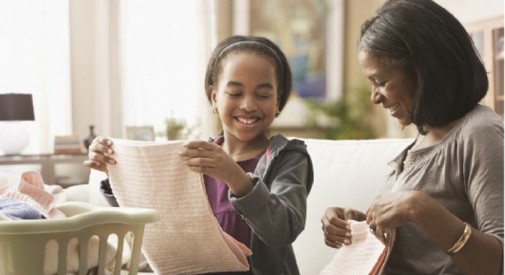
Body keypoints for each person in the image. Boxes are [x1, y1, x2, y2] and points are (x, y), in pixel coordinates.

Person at [84, 35, 314, 275]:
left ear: (278, 101)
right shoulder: (193, 158)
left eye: (263, 95)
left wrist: (236, 178)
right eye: (235, 93)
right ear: (215, 97)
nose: (248, 104)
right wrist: (116, 171)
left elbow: (283, 229)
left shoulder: (289, 158)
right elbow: (152, 221)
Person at [320, 0, 504, 274]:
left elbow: (497, 263)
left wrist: (417, 206)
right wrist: (361, 225)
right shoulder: (423, 139)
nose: (374, 97)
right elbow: (421, 248)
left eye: (380, 82)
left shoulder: (479, 132)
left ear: (424, 69)